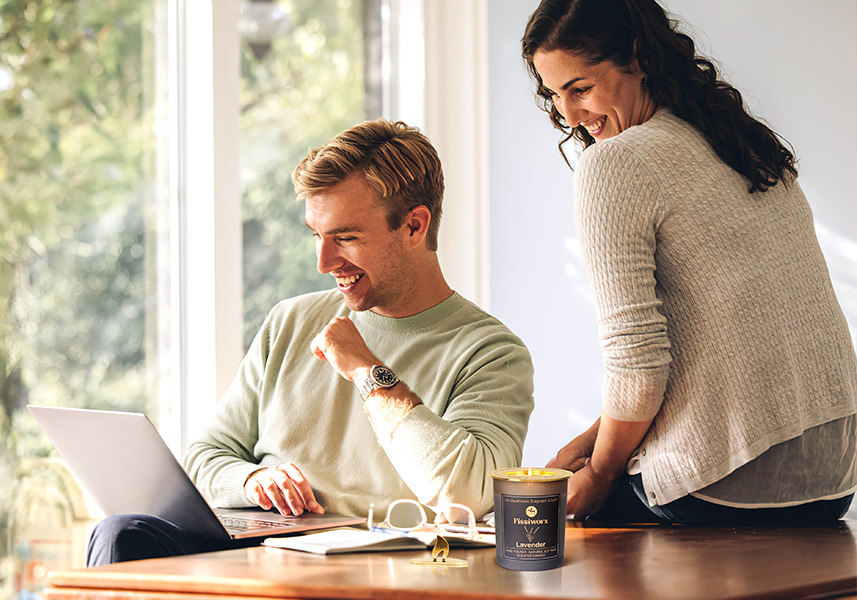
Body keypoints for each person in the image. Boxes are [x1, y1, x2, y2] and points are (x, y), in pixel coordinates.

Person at [86, 120, 535, 566]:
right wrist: (253, 480)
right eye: (317, 235)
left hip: (373, 568)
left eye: (346, 238)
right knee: (120, 533)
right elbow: (205, 456)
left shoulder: (490, 352)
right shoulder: (290, 320)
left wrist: (366, 372)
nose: (324, 262)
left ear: (415, 227)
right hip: (256, 553)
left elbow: (470, 492)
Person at [522, 0, 857, 526]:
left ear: (636, 59)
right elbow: (717, 356)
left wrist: (600, 474)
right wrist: (592, 441)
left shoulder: (615, 163)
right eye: (554, 95)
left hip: (729, 484)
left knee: (538, 520)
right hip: (836, 479)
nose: (569, 117)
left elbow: (638, 365)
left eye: (581, 88)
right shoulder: (743, 142)